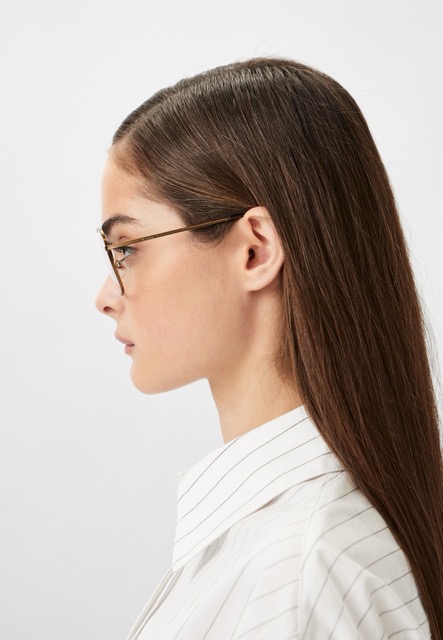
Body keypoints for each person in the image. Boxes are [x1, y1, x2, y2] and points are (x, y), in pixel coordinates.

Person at [95, 58, 442, 639]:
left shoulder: (300, 571)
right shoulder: (295, 550)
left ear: (255, 250)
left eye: (126, 248)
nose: (105, 297)